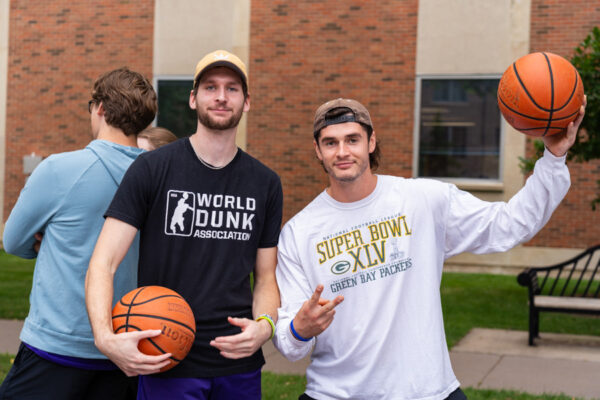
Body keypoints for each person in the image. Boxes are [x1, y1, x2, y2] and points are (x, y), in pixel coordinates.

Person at [272, 97, 586, 400]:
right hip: (336, 394)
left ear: (371, 142)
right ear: (317, 150)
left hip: (427, 391)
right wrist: (301, 328)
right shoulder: (299, 233)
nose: (342, 151)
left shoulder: (423, 200)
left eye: (352, 139)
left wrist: (553, 158)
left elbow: (510, 224)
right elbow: (289, 343)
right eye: (330, 142)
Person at [85, 50, 283, 400]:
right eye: (210, 87)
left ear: (246, 101)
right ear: (193, 98)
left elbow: (266, 277)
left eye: (232, 88)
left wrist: (265, 327)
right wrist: (105, 337)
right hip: (164, 356)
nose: (221, 96)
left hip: (237, 363)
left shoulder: (265, 183)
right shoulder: (152, 169)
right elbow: (104, 262)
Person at [0, 67, 157, 400]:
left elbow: (13, 241)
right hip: (126, 347)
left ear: (99, 108)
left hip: (55, 346)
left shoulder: (60, 169)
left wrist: (44, 244)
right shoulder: (158, 179)